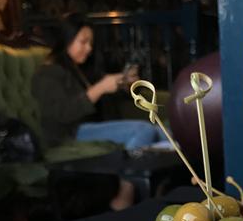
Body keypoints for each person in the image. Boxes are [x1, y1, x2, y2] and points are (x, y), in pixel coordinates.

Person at [31, 13, 164, 150]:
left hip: (93, 126)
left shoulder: (80, 69)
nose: (89, 48)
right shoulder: (47, 73)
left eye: (90, 43)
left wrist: (124, 83)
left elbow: (106, 91)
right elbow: (62, 113)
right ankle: (126, 168)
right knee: (143, 130)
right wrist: (99, 89)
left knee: (166, 133)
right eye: (83, 42)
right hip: (69, 133)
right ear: (66, 40)